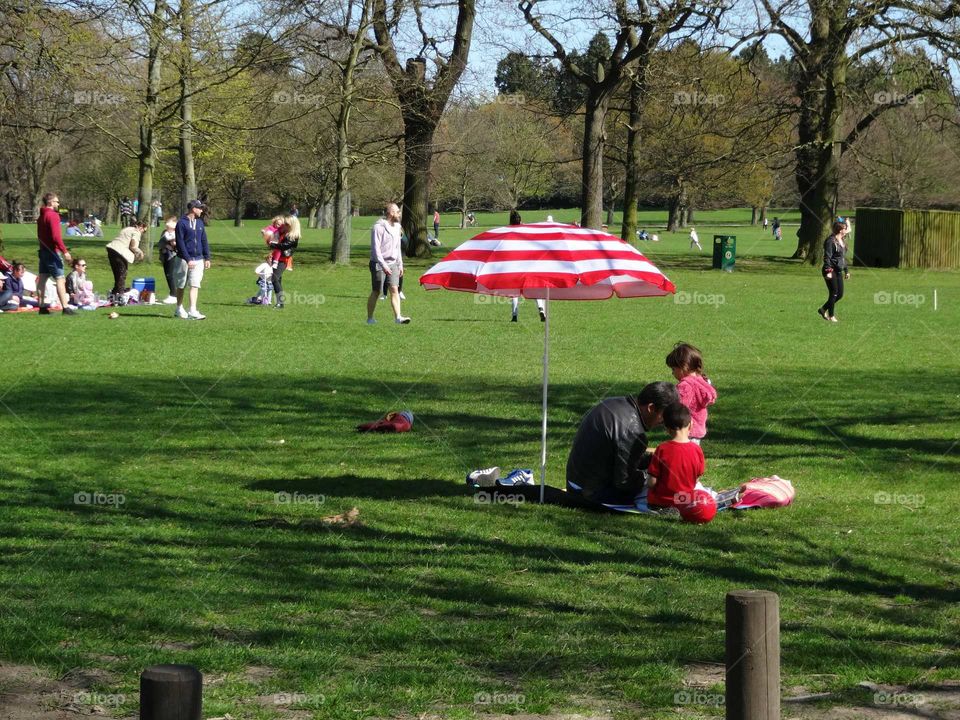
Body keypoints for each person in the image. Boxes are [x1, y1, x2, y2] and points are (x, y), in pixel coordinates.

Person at [565, 381, 680, 505]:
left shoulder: (614, 402)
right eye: (664, 416)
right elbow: (625, 483)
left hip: (576, 483)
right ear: (651, 408)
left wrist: (655, 460)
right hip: (592, 494)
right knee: (669, 493)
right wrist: (652, 474)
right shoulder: (633, 432)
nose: (664, 423)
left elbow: (620, 457)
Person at [645, 402, 706, 510]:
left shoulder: (662, 449)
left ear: (667, 429)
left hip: (660, 502)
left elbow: (651, 482)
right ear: (691, 424)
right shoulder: (697, 450)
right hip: (684, 501)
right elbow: (696, 479)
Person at [665, 342, 716, 445]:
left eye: (673, 369)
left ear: (684, 367)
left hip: (684, 430)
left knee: (682, 455)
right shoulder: (701, 381)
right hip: (696, 429)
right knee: (692, 453)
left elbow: (678, 408)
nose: (672, 373)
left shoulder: (685, 386)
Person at [367, 202, 410, 325]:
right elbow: (376, 250)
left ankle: (398, 318)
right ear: (391, 213)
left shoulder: (397, 227)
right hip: (378, 263)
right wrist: (384, 266)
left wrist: (400, 264)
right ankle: (370, 318)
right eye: (397, 211)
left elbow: (397, 248)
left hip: (394, 263)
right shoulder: (378, 227)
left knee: (394, 289)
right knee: (377, 291)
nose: (399, 214)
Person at [36, 192, 75, 315]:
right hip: (53, 252)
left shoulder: (41, 217)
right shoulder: (53, 216)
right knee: (60, 278)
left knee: (42, 278)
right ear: (50, 202)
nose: (58, 204)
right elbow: (56, 237)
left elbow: (40, 236)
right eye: (57, 201)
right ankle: (65, 308)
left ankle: (42, 307)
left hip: (43, 251)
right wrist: (65, 251)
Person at [174, 199, 211, 320]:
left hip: (198, 259)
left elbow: (204, 240)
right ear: (193, 209)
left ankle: (192, 310)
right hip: (183, 259)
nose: (201, 210)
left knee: (195, 284)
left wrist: (207, 257)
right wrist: (187, 259)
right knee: (181, 285)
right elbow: (180, 243)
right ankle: (179, 308)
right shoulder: (181, 223)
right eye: (199, 208)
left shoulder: (200, 223)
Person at [505, 210, 544, 322]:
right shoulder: (526, 230)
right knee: (534, 288)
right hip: (528, 264)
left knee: (515, 292)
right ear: (520, 220)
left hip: (514, 265)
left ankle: (514, 315)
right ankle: (540, 308)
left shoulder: (508, 232)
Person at [818, 218, 850, 323]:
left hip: (838, 270)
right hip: (830, 270)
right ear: (840, 230)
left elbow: (842, 258)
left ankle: (823, 309)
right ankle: (831, 316)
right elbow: (827, 257)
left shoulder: (842, 241)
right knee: (834, 293)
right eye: (845, 228)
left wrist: (846, 271)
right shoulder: (830, 241)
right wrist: (828, 271)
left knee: (840, 294)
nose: (846, 230)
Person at [105, 220, 146, 304]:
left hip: (111, 249)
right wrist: (140, 252)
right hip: (120, 252)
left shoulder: (127, 229)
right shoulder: (136, 232)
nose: (143, 233)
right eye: (144, 231)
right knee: (122, 274)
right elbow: (133, 246)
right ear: (140, 227)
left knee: (117, 275)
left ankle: (113, 295)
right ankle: (120, 297)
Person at [268, 215, 299, 308]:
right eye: (284, 223)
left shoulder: (293, 236)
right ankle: (280, 303)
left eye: (287, 223)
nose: (284, 225)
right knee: (278, 280)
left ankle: (280, 303)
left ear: (292, 225)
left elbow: (284, 246)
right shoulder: (284, 231)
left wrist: (273, 245)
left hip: (284, 260)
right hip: (277, 258)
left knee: (274, 279)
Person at [158, 217, 179, 304]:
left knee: (170, 275)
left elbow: (175, 244)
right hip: (165, 255)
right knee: (167, 274)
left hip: (171, 255)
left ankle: (173, 295)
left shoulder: (175, 233)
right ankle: (172, 293)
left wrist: (172, 243)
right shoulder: (165, 232)